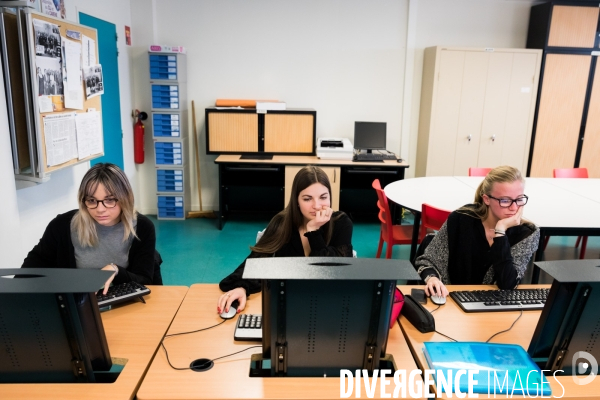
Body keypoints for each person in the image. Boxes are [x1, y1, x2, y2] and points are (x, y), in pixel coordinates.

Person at [217, 166, 354, 314]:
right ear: (297, 200)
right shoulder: (282, 223)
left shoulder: (341, 222)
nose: (317, 206)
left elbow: (337, 273)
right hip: (289, 305)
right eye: (307, 199)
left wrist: (314, 232)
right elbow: (255, 262)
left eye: (323, 197)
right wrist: (241, 287)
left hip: (329, 305)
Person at [22, 163, 157, 294]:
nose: (100, 209)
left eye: (109, 200)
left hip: (124, 304)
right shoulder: (62, 226)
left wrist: (116, 270)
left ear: (124, 199)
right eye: (92, 201)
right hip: (78, 304)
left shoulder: (142, 227)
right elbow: (31, 269)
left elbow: (145, 281)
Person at [415, 165, 539, 298]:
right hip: (451, 299)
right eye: (505, 200)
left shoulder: (527, 234)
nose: (514, 207)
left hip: (493, 305)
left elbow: (507, 284)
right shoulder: (461, 218)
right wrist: (432, 279)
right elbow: (428, 261)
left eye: (519, 199)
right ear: (486, 199)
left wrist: (500, 232)